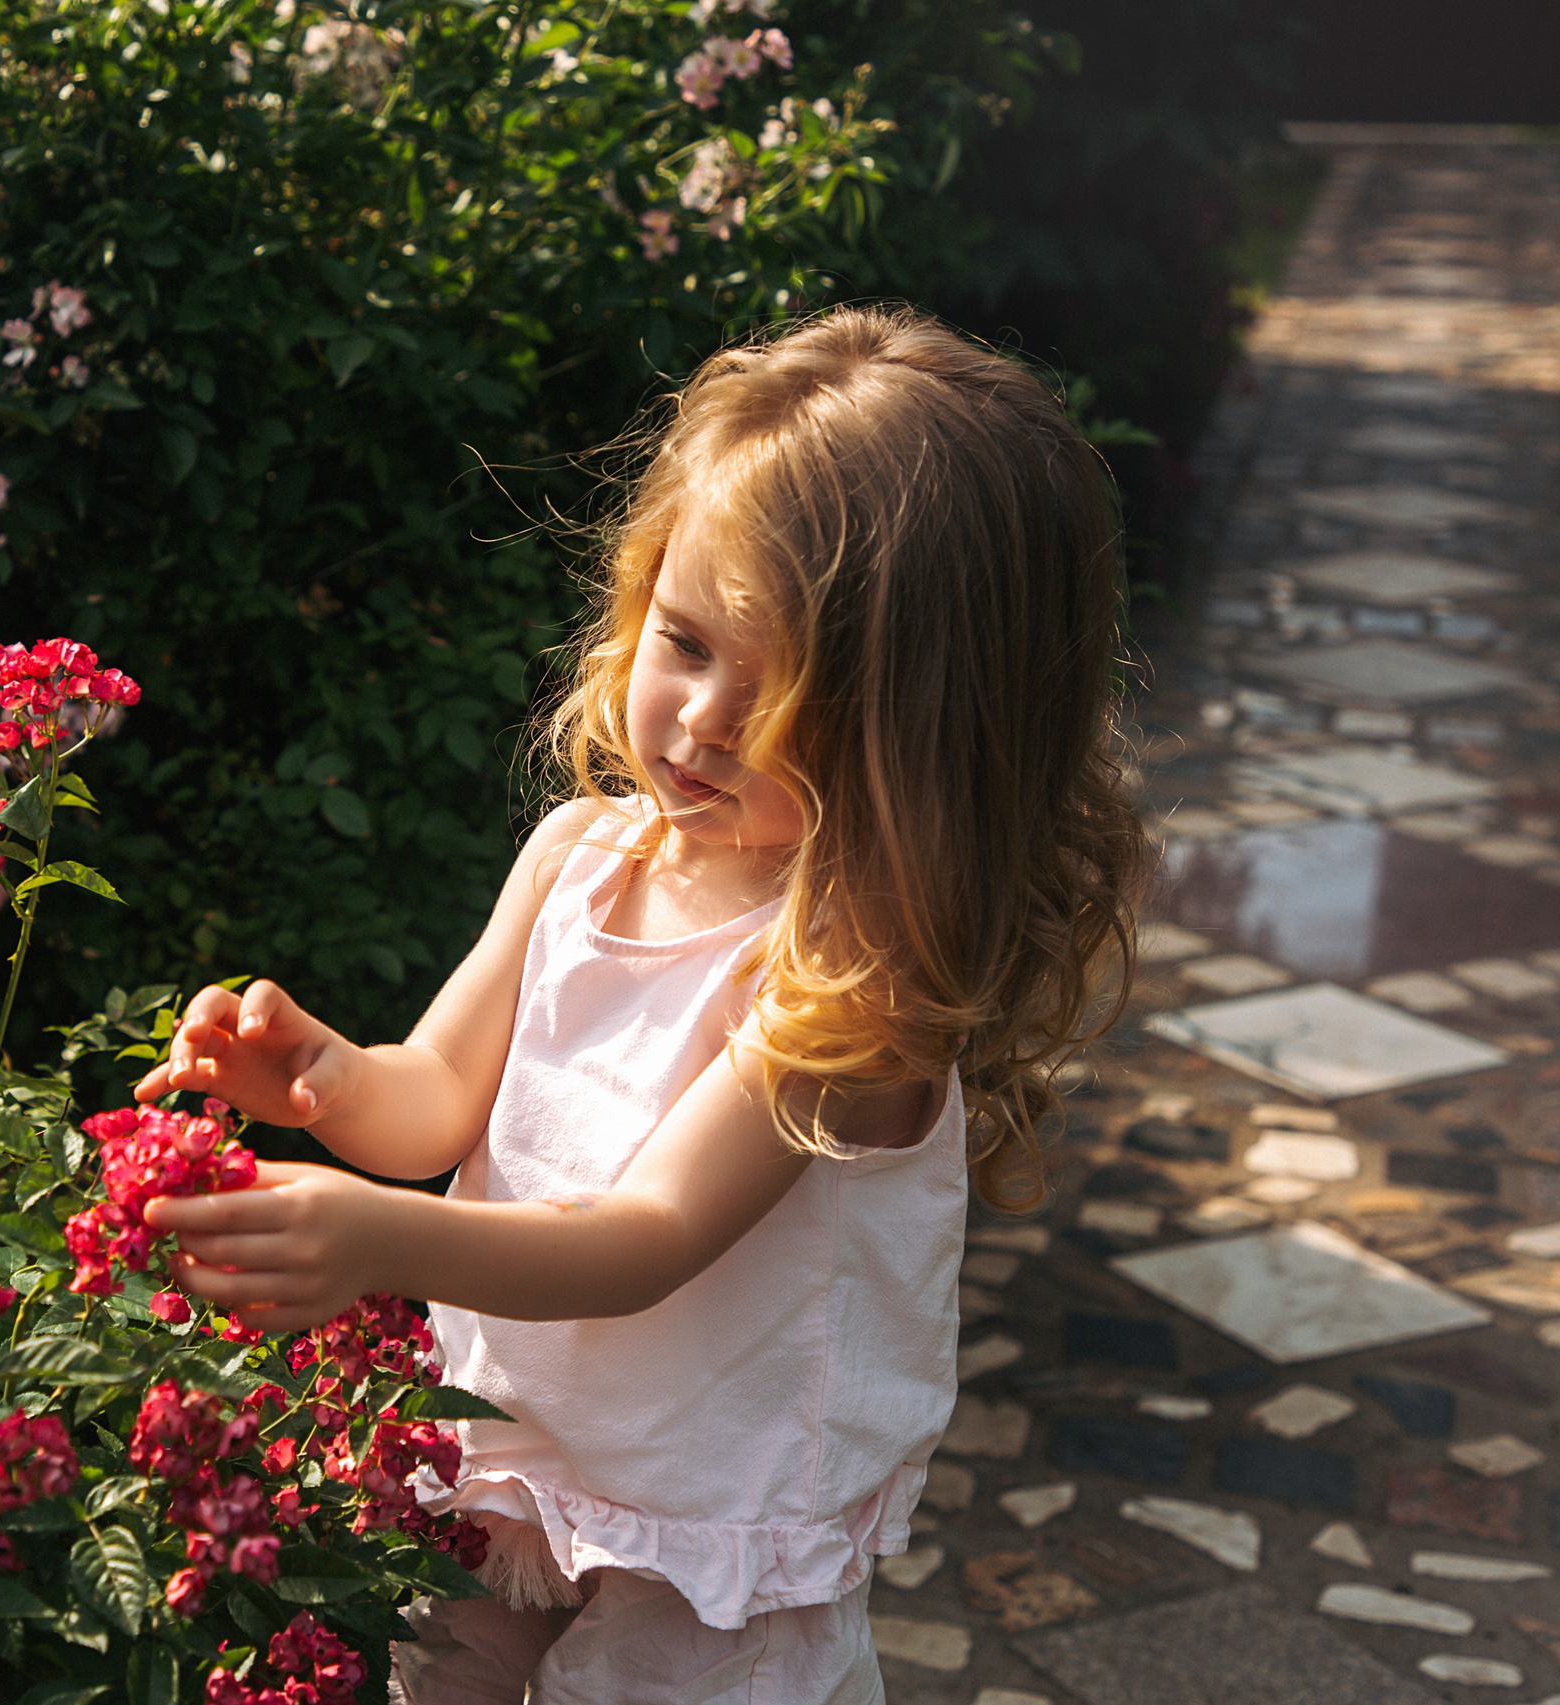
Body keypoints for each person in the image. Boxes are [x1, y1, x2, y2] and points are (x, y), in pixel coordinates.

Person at [138, 304, 1148, 1704]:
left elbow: (643, 1237)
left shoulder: (858, 983)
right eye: (683, 641)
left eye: (786, 696)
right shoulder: (578, 857)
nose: (696, 722)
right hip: (506, 1454)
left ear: (927, 739)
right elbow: (436, 1093)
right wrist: (314, 1075)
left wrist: (372, 1237)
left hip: (706, 1528)